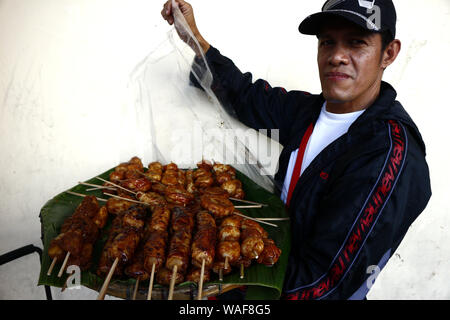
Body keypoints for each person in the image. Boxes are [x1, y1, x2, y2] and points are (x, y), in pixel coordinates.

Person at [162, 0, 432, 300]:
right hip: (268, 268)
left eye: (356, 43)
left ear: (389, 53)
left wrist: (222, 296)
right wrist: (195, 40)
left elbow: (323, 285)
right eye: (328, 42)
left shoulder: (388, 155)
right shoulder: (308, 111)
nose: (337, 56)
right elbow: (246, 97)